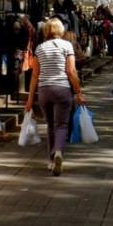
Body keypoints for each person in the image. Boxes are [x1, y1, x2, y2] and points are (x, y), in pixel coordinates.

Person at [23, 18, 85, 176]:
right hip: (62, 89)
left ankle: (51, 160)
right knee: (62, 125)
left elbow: (35, 75)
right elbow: (71, 72)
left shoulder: (40, 48)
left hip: (44, 91)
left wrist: (30, 99)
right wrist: (78, 92)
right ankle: (58, 152)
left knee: (50, 125)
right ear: (61, 30)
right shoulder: (66, 46)